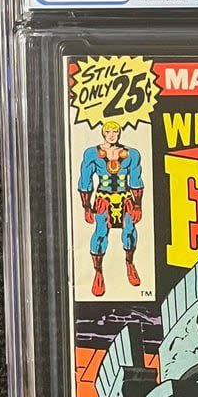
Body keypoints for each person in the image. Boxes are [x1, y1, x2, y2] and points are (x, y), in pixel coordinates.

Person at [77, 120, 143, 296]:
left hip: (125, 198)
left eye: (115, 131)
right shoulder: (92, 154)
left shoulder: (132, 154)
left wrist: (137, 205)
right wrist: (86, 206)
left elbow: (136, 180)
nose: (112, 135)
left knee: (129, 232)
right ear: (103, 133)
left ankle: (129, 263)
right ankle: (98, 272)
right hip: (103, 199)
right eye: (109, 132)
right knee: (100, 233)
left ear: (119, 133)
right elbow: (85, 179)